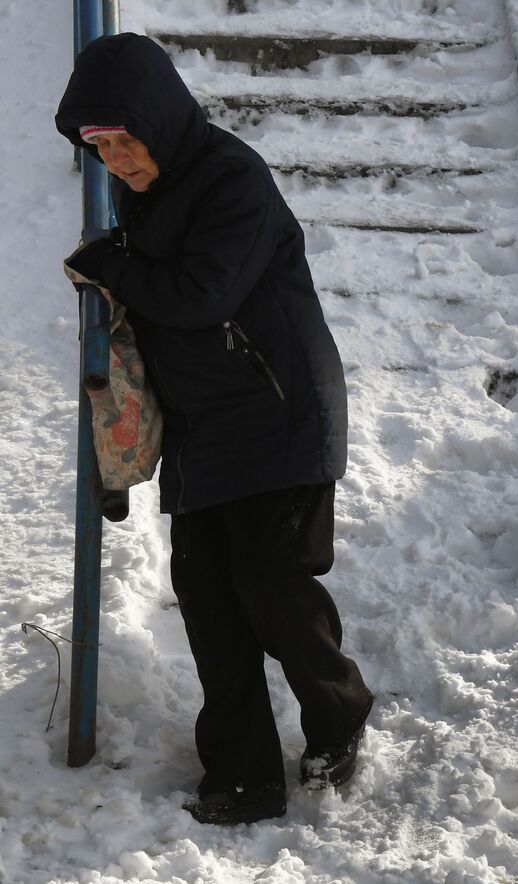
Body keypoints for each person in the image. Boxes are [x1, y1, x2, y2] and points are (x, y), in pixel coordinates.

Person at [55, 33, 374, 825]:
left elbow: (201, 295)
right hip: (205, 428)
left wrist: (108, 263)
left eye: (127, 141)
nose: (119, 161)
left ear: (161, 120)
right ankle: (242, 775)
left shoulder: (234, 179)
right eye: (101, 148)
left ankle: (341, 716)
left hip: (279, 414)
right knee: (207, 599)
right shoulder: (142, 191)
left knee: (271, 590)